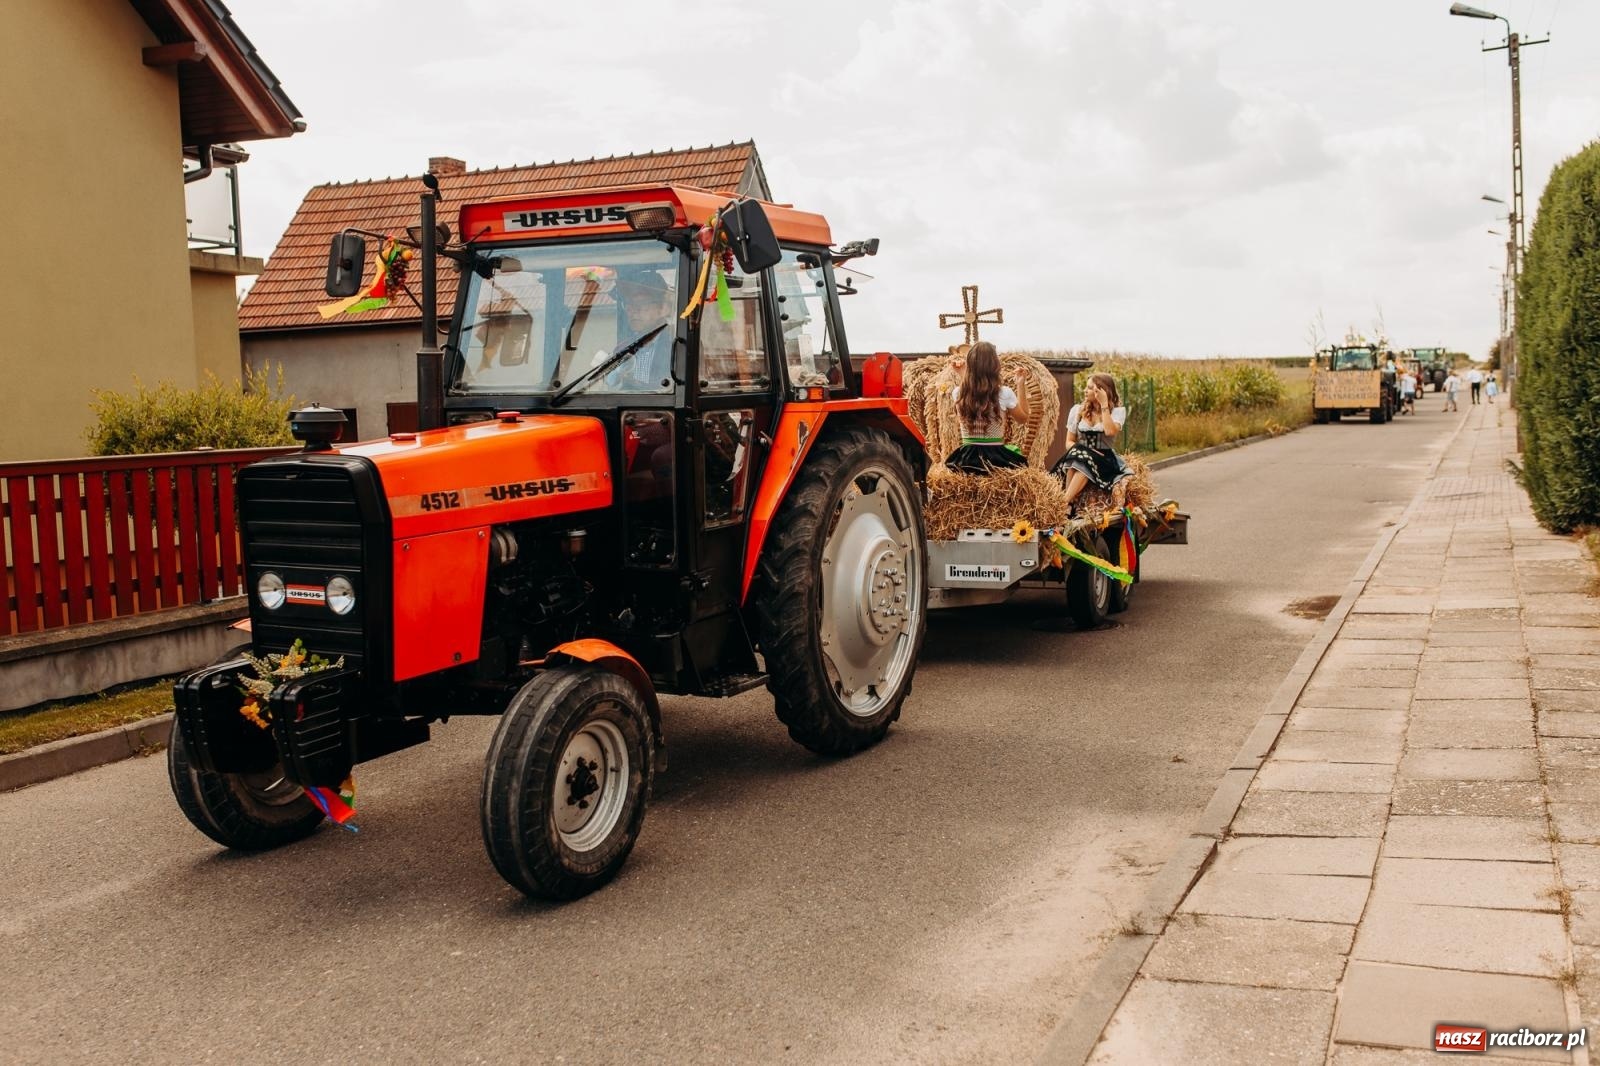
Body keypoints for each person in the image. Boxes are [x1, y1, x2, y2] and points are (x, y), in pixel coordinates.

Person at [1051, 372, 1132, 514]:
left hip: (1104, 460)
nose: (1085, 390)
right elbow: (1069, 442)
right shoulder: (1077, 410)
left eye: (1089, 388)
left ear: (1101, 391)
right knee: (1080, 456)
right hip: (1078, 455)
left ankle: (1064, 504)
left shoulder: (1117, 412)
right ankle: (1067, 503)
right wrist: (1086, 451)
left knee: (1081, 459)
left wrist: (1104, 404)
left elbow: (1110, 431)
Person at [585, 268, 677, 392]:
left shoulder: (678, 347)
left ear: (663, 308)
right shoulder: (621, 349)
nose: (632, 311)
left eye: (641, 304)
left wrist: (635, 385)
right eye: (628, 304)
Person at [947, 341, 1029, 475]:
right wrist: (1021, 383)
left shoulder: (958, 393)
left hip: (966, 460)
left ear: (970, 365)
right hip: (995, 459)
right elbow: (1023, 418)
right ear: (995, 366)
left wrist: (962, 374)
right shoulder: (1004, 393)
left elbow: (973, 394)